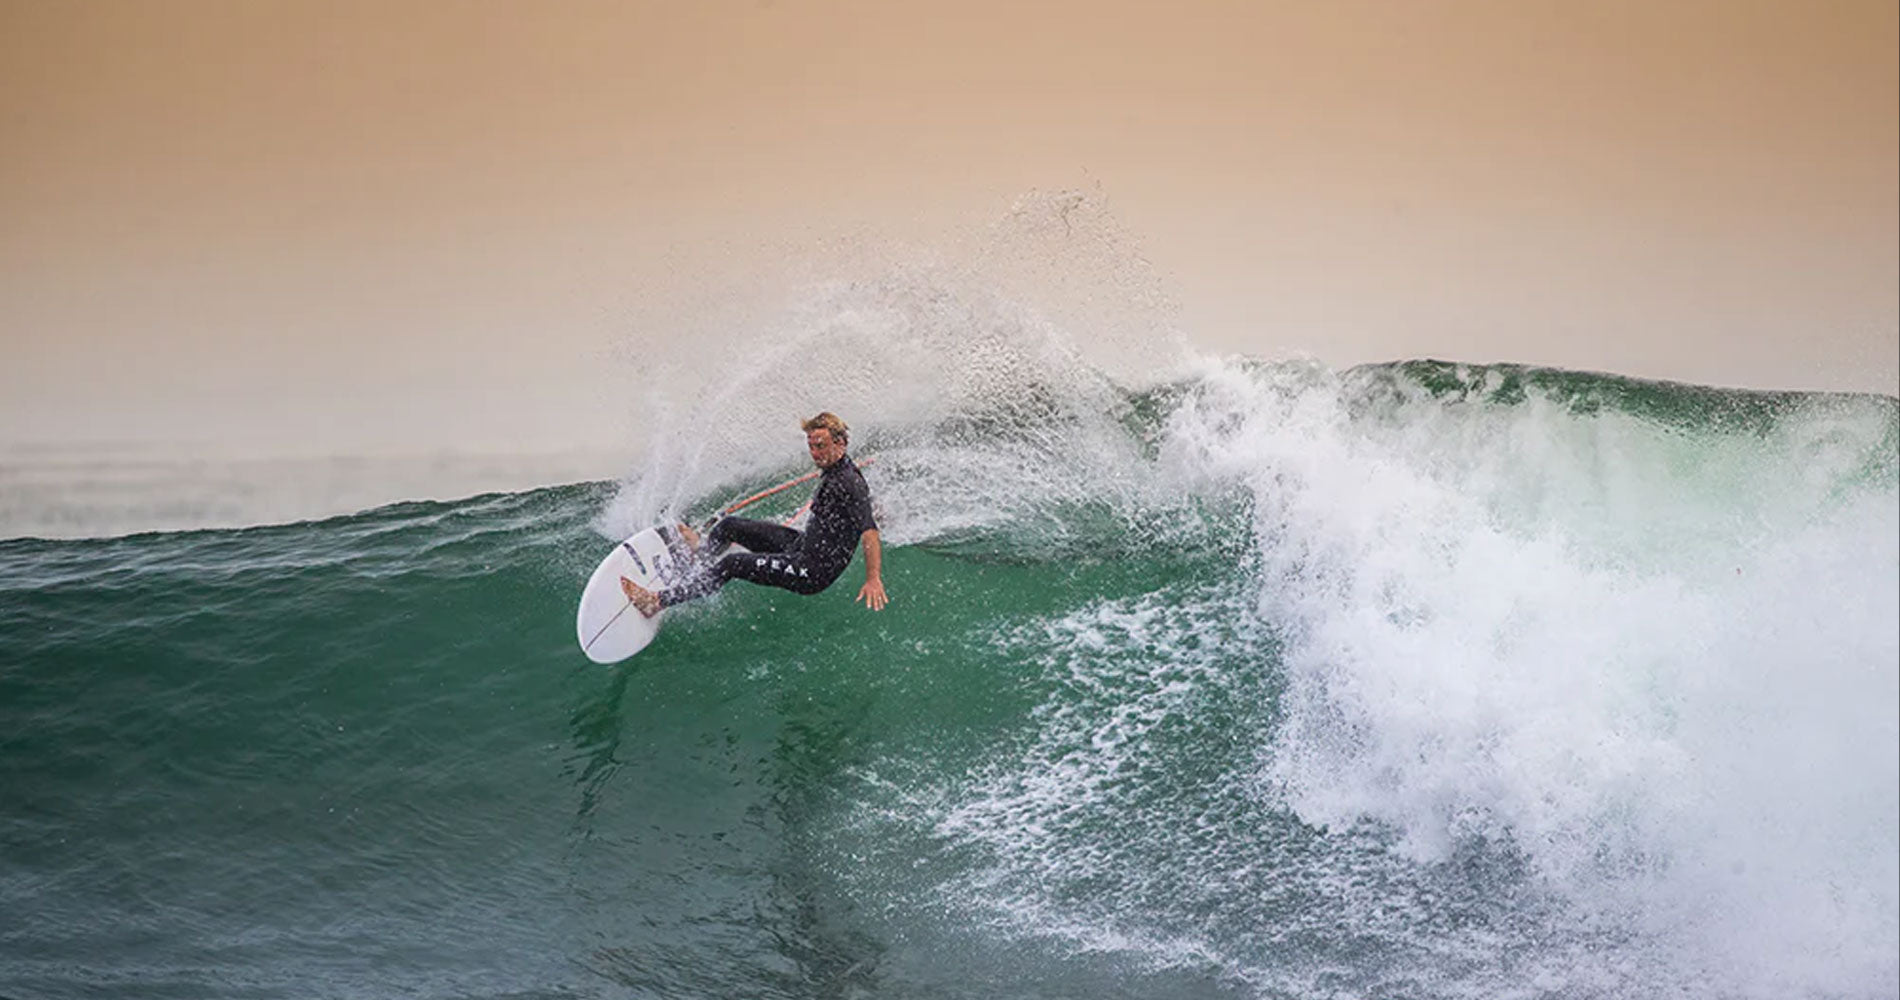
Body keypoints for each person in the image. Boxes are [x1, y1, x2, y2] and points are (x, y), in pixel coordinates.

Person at [620, 412, 888, 616]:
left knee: (733, 564)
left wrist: (873, 578)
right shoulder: (838, 469)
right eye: (811, 446)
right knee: (729, 526)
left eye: (820, 445)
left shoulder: (849, 482)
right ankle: (698, 563)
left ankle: (656, 602)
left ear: (841, 442)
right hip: (802, 546)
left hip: (812, 570)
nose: (815, 453)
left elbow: (870, 532)